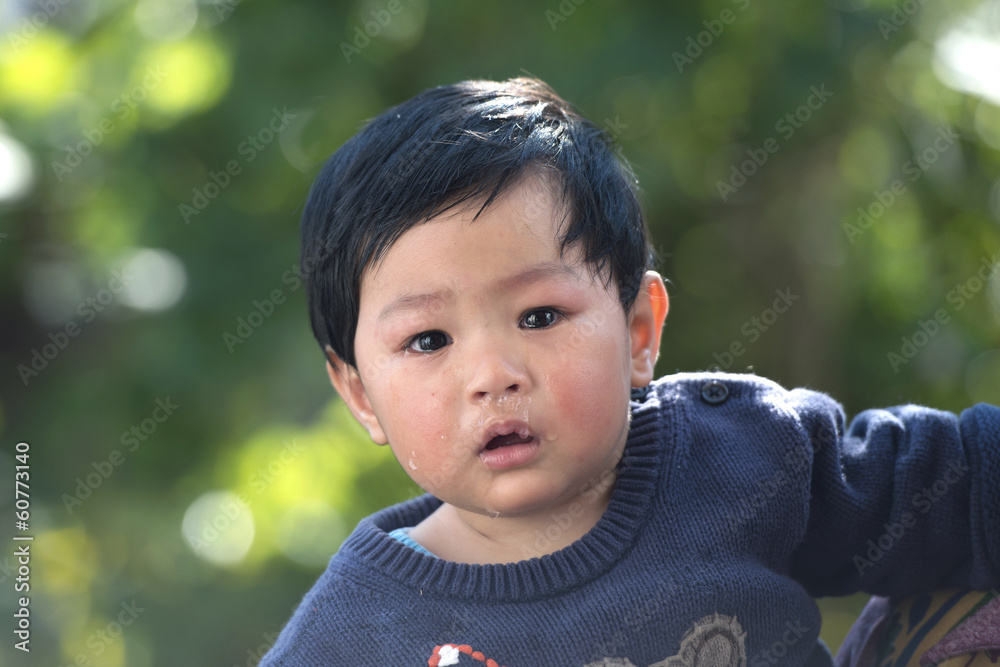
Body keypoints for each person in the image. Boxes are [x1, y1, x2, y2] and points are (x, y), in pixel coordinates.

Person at [259, 77, 1000, 667]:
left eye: (539, 316)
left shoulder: (740, 456)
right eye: (428, 340)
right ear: (360, 393)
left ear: (638, 331)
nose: (492, 374)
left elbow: (962, 485)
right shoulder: (351, 636)